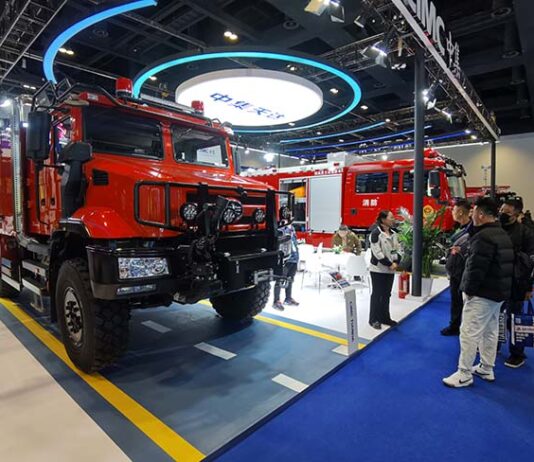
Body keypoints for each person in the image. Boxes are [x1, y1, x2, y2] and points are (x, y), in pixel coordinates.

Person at [443, 197, 514, 388]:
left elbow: (476, 268)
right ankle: (486, 367)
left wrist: (469, 291)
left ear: (481, 214)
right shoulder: (501, 233)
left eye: (473, 211)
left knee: (469, 333)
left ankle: (464, 374)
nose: (471, 214)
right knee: (490, 331)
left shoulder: (483, 237)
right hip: (498, 293)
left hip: (482, 294)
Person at [499, 197, 534, 368]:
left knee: (514, 319)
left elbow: (531, 262)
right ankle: (493, 345)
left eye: (507, 212)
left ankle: (517, 353)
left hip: (517, 283)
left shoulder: (526, 233)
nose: (502, 214)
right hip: (496, 282)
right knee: (494, 317)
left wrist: (529, 287)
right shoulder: (495, 228)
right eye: (501, 210)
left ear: (517, 214)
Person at [442, 199, 472, 336]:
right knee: (455, 299)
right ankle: (455, 325)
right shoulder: (459, 227)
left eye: (453, 210)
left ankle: (462, 327)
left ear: (460, 212)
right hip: (455, 269)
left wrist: (461, 250)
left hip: (463, 269)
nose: (452, 212)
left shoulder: (471, 230)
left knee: (465, 301)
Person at [368, 210, 403, 330]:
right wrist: (389, 264)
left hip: (390, 269)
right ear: (383, 220)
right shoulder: (375, 233)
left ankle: (385, 317)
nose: (393, 219)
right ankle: (373, 319)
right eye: (391, 217)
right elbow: (377, 253)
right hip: (378, 269)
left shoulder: (394, 234)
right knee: (377, 294)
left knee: (386, 294)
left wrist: (396, 262)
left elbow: (399, 249)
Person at [272, 224, 300, 311]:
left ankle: (288, 298)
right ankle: (276, 301)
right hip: (285, 259)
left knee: (290, 279)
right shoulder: (281, 229)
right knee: (280, 280)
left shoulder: (292, 228)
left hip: (294, 258)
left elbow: (294, 241)